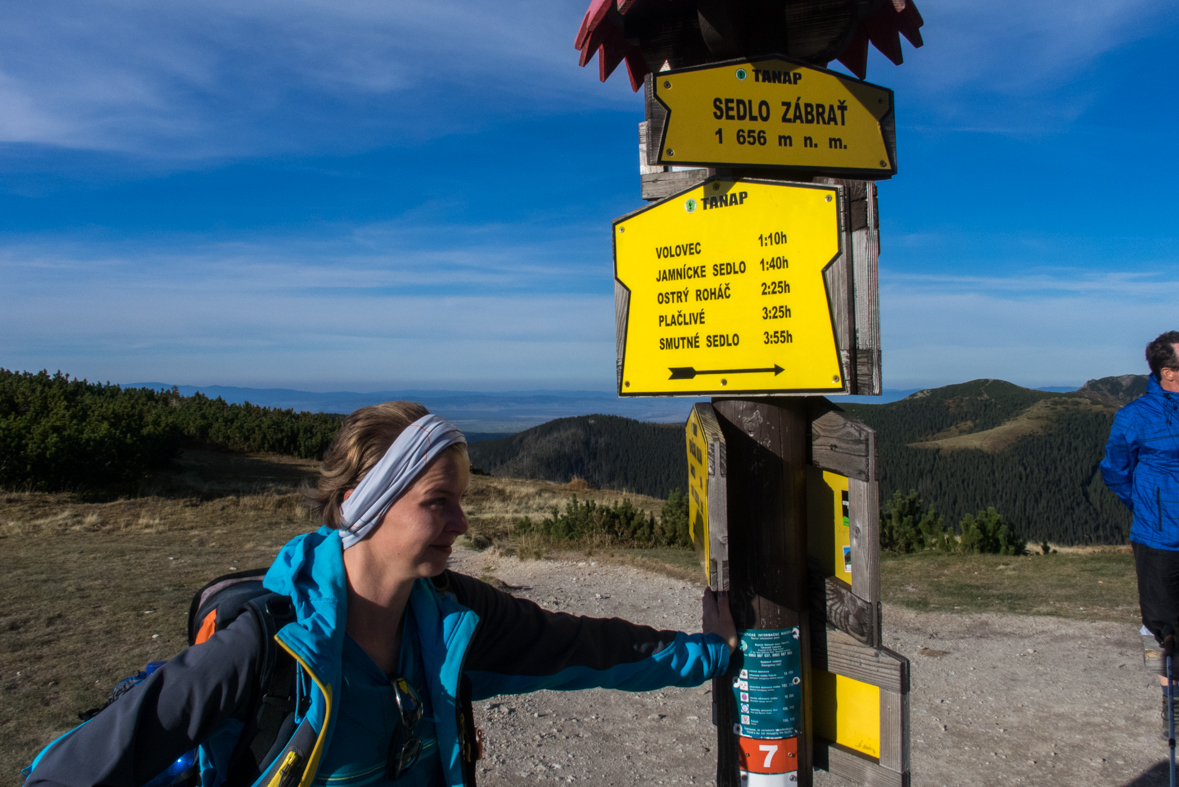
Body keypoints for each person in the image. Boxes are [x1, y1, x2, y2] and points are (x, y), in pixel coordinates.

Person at [24, 402, 738, 787]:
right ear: (363, 506)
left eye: (461, 500)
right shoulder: (263, 650)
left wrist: (716, 654)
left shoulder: (456, 618)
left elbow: (587, 647)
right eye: (438, 502)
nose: (461, 523)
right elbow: (68, 770)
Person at [1101, 331, 1179, 725]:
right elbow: (1115, 470)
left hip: (1160, 527)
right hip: (1158, 537)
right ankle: (1171, 701)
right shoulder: (1133, 416)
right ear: (1168, 372)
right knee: (1159, 624)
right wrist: (1150, 506)